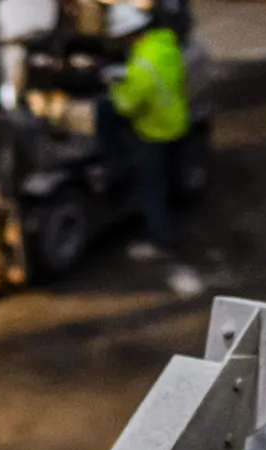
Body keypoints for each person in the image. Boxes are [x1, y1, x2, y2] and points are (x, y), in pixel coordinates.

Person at [99, 2, 189, 260]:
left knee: (151, 188)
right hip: (176, 121)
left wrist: (112, 86)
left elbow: (126, 106)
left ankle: (161, 239)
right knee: (168, 179)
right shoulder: (163, 46)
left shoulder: (142, 66)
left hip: (155, 131)